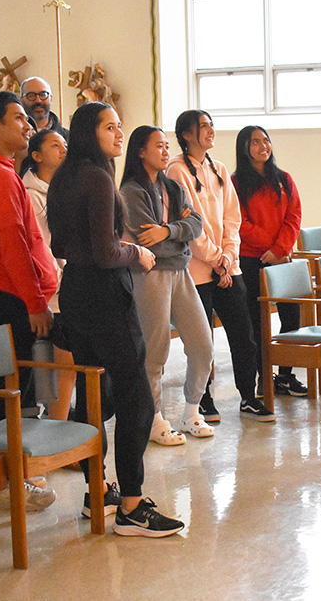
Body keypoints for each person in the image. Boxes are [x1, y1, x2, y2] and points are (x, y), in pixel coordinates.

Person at [47, 101, 183, 537]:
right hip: (106, 295)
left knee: (94, 394)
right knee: (136, 397)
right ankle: (131, 504)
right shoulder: (99, 177)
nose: (119, 133)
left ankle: (97, 491)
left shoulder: (65, 176)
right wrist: (138, 254)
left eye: (120, 126)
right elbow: (108, 252)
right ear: (91, 132)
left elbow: (61, 248)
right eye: (111, 127)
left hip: (76, 293)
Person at [0, 90, 59, 511]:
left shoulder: (0, 171)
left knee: (7, 385)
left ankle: (1, 475)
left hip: (6, 290)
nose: (28, 125)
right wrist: (35, 300)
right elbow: (12, 244)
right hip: (6, 292)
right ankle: (5, 477)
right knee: (7, 388)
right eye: (17, 118)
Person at [166, 110, 274, 423]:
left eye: (212, 124)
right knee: (201, 340)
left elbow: (232, 218)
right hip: (197, 270)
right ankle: (203, 398)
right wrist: (216, 260)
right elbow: (189, 225)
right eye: (203, 126)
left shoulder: (219, 168)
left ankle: (248, 397)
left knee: (244, 334)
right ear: (186, 135)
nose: (211, 130)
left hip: (227, 268)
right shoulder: (177, 171)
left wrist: (227, 258)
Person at [119, 125, 214, 445]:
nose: (164, 151)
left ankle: (191, 410)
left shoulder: (172, 186)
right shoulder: (132, 191)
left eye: (165, 145)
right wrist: (175, 234)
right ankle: (154, 417)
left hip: (181, 272)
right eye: (157, 146)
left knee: (203, 343)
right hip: (151, 275)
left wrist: (168, 230)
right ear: (140, 151)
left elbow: (195, 224)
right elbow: (148, 243)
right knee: (155, 350)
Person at [232, 125, 306, 398]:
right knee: (256, 322)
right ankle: (266, 376)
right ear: (244, 148)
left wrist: (281, 249)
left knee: (291, 317)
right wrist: (270, 249)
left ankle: (286, 375)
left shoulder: (284, 179)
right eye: (255, 142)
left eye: (266, 140)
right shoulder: (236, 183)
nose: (263, 146)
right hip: (252, 260)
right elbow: (240, 222)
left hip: (282, 257)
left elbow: (294, 217)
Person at [20, 127, 75, 419]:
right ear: (37, 155)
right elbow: (39, 249)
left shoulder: (63, 187)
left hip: (67, 284)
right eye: (55, 145)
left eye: (65, 144)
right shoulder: (31, 195)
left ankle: (64, 421)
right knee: (62, 363)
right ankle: (59, 425)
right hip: (50, 290)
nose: (63, 149)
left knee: (70, 364)